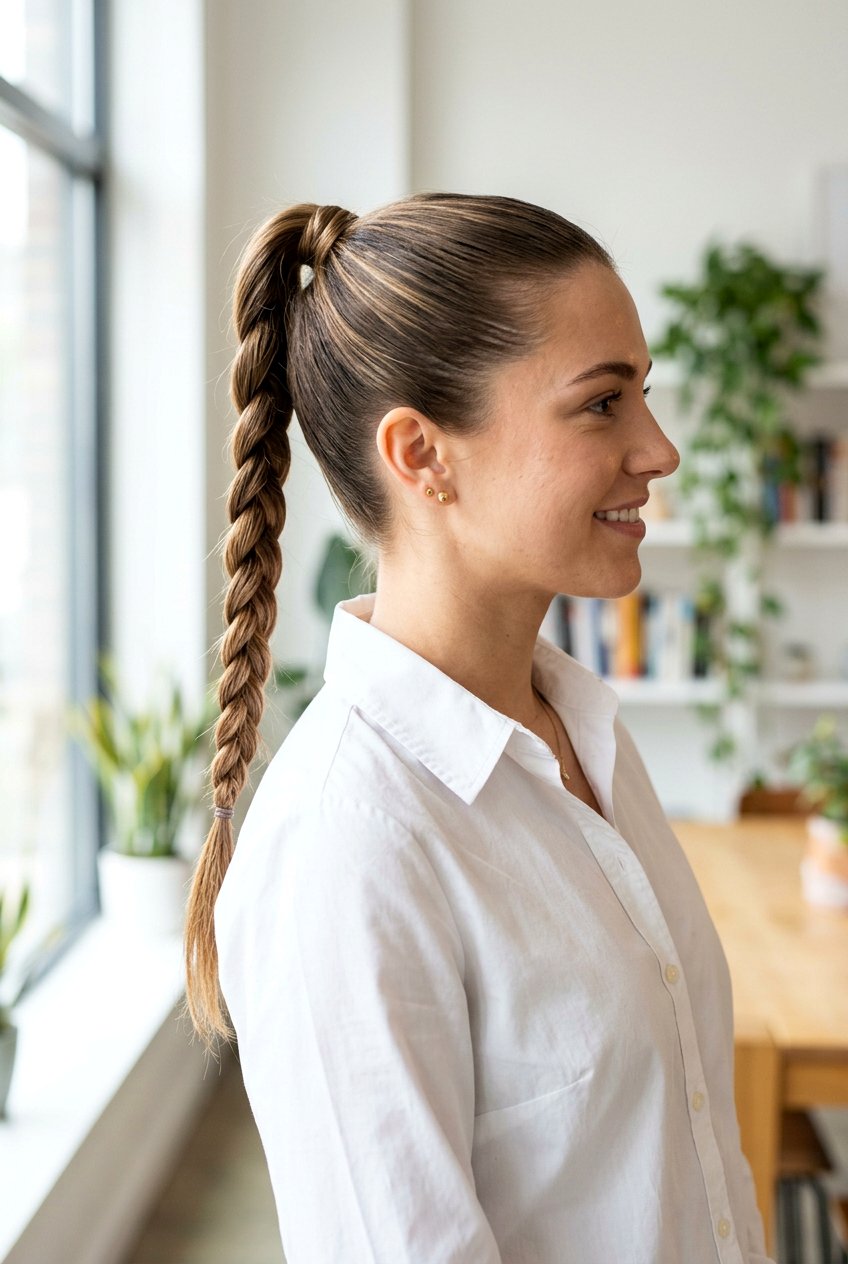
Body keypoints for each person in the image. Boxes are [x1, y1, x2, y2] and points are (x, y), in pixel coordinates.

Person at [184, 193, 774, 1263]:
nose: (659, 449)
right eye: (601, 405)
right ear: (420, 455)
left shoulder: (582, 733)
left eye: (642, 394)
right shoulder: (347, 842)